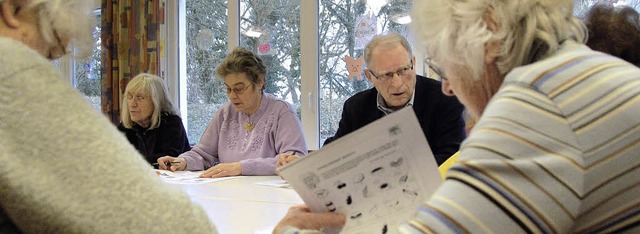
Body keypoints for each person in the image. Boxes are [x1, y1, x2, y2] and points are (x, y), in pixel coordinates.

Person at [274, 0, 640, 233]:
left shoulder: (538, 105)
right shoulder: (581, 72)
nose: (447, 87)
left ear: (485, 38)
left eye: (443, 64)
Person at [0, 0, 215, 232]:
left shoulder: (169, 122)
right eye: (47, 49)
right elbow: (173, 225)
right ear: (11, 10)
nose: (42, 65)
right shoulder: (9, 63)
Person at [278, 33, 466, 168]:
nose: (398, 83)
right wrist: (304, 165)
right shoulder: (356, 107)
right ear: (370, 76)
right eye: (387, 75)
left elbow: (451, 158)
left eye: (403, 70)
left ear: (414, 63)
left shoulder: (444, 98)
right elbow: (336, 151)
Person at [158, 47, 307, 178]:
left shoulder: (282, 111)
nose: (232, 95)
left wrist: (240, 167)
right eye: (228, 89)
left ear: (260, 82)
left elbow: (294, 160)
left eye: (239, 88)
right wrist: (181, 162)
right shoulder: (226, 112)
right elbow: (203, 153)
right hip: (228, 192)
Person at [117, 73, 190, 166]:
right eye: (130, 97)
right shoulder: (126, 127)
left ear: (156, 102)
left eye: (139, 98)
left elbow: (165, 161)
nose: (132, 104)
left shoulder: (171, 123)